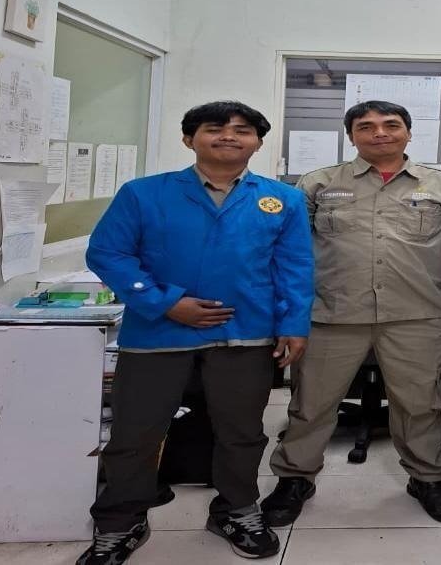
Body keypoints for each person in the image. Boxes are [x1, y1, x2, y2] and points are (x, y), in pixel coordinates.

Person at [77, 101, 314, 564]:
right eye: (214, 128)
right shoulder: (144, 193)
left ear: (257, 143)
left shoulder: (281, 199)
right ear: (189, 139)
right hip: (157, 335)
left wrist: (293, 323)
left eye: (242, 130)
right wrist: (166, 302)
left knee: (242, 433)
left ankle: (236, 510)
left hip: (245, 334)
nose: (229, 136)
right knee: (135, 433)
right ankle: (121, 522)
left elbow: (295, 266)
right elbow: (108, 253)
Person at [262, 100, 441, 526]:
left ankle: (428, 477)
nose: (379, 132)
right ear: (352, 135)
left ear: (408, 133)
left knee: (421, 403)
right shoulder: (318, 183)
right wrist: (292, 309)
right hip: (332, 313)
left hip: (416, 314)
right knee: (312, 403)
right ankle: (295, 478)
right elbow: (292, 251)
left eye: (391, 124)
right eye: (366, 126)